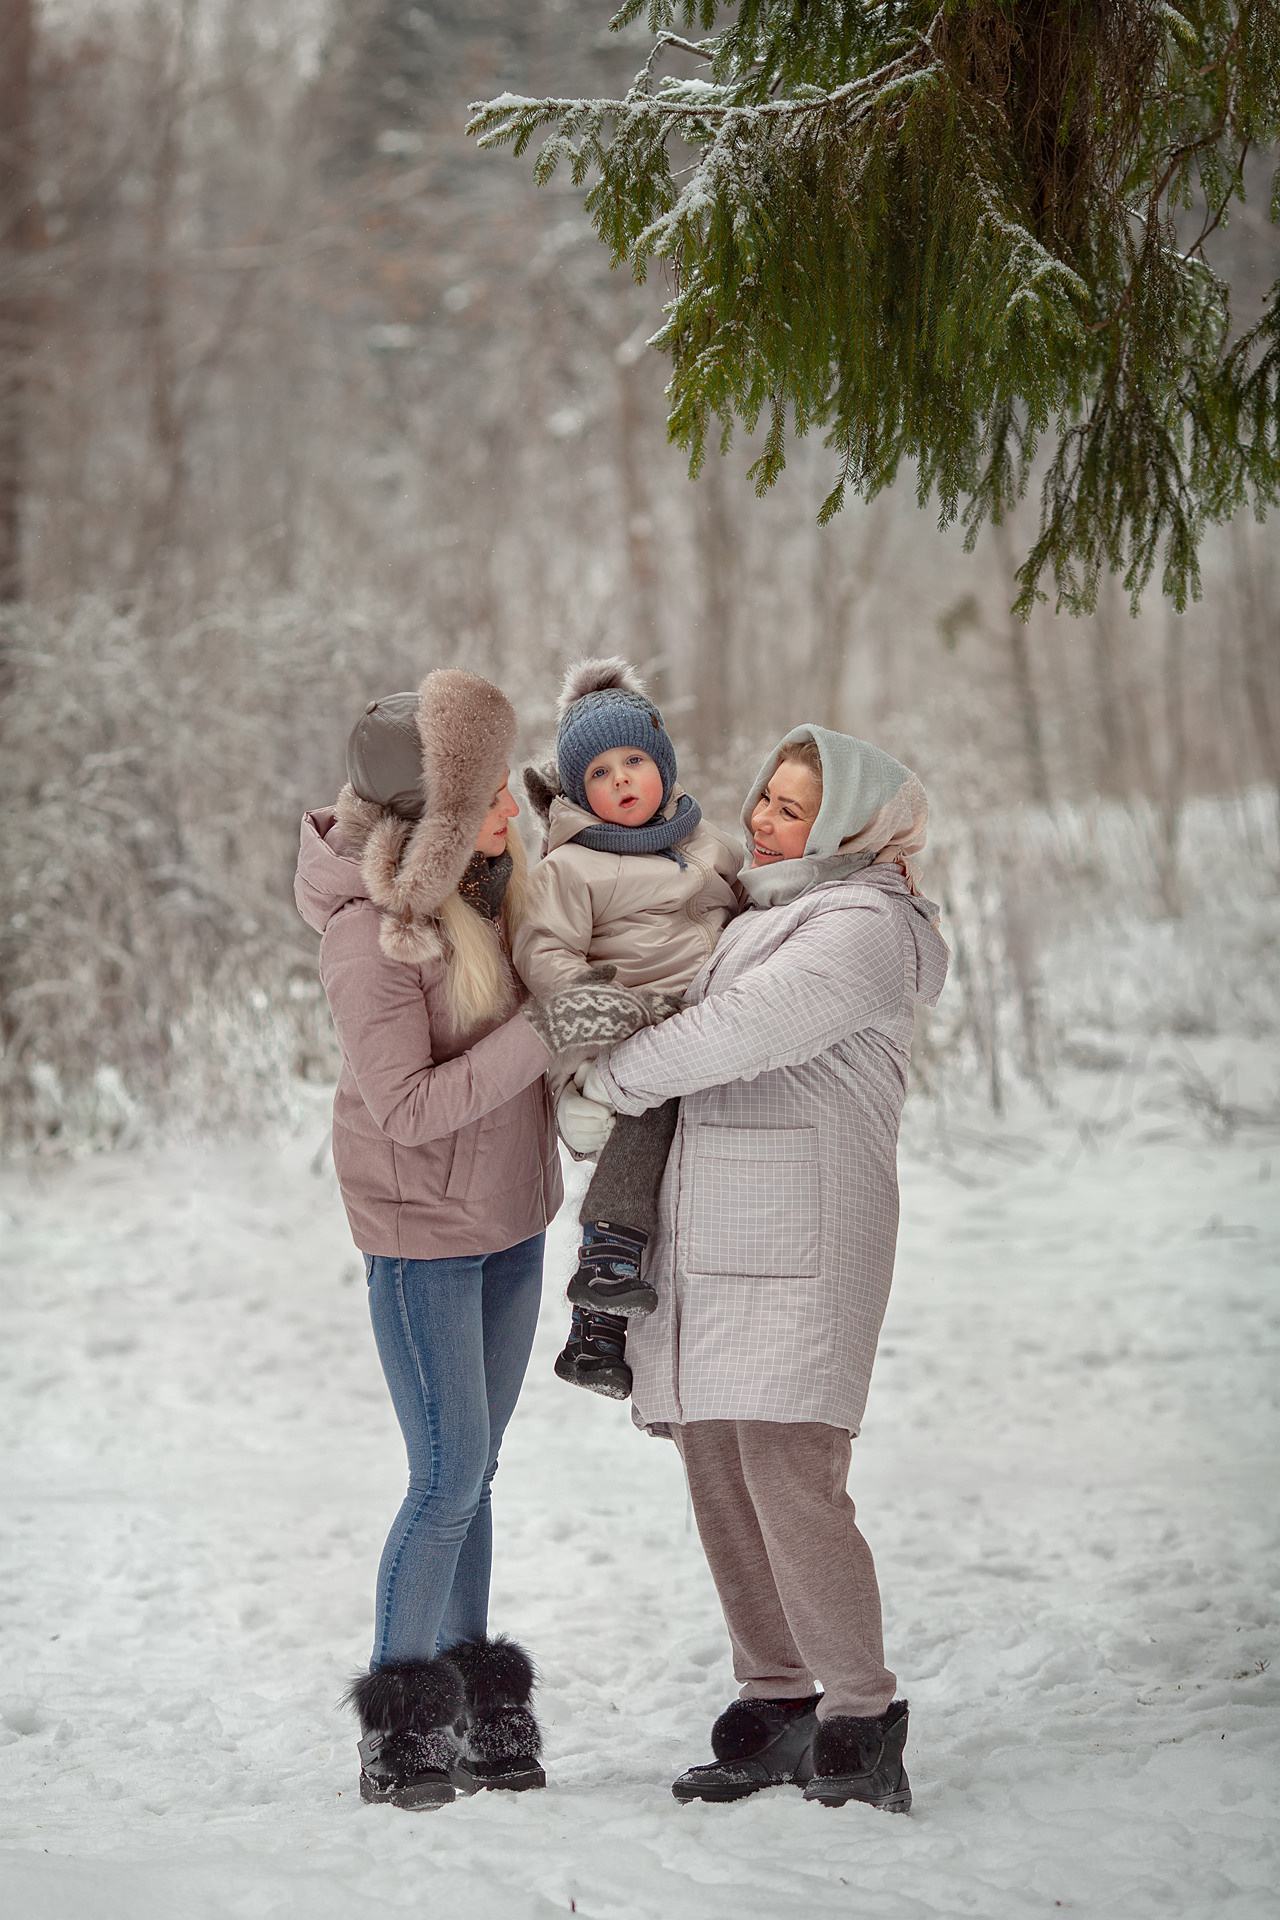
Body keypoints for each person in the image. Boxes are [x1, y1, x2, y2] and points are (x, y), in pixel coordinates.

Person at [576, 726, 949, 1813]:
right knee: (720, 1475)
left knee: (790, 1476)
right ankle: (775, 1698)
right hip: (709, 1235)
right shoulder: (755, 907)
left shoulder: (867, 924)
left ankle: (860, 1714)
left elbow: (742, 1028)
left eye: (793, 806)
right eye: (766, 797)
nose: (764, 819)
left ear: (848, 824)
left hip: (803, 1235)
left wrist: (613, 1074)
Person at [293, 667, 565, 1811]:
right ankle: (402, 1722)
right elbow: (405, 1109)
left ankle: (475, 1690)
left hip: (509, 1221)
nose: (513, 809)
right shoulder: (370, 941)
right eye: (491, 793)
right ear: (438, 818)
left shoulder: (491, 887)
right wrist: (547, 1032)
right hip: (422, 1238)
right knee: (446, 1471)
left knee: (479, 1469)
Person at [512, 657, 743, 1399]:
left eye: (635, 761)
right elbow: (542, 948)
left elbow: (752, 906)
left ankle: (594, 1343)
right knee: (648, 1114)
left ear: (663, 765)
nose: (622, 780)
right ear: (581, 791)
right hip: (627, 1020)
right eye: (601, 773)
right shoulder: (569, 867)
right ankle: (607, 1255)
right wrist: (591, 998)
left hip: (711, 1023)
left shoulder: (709, 847)